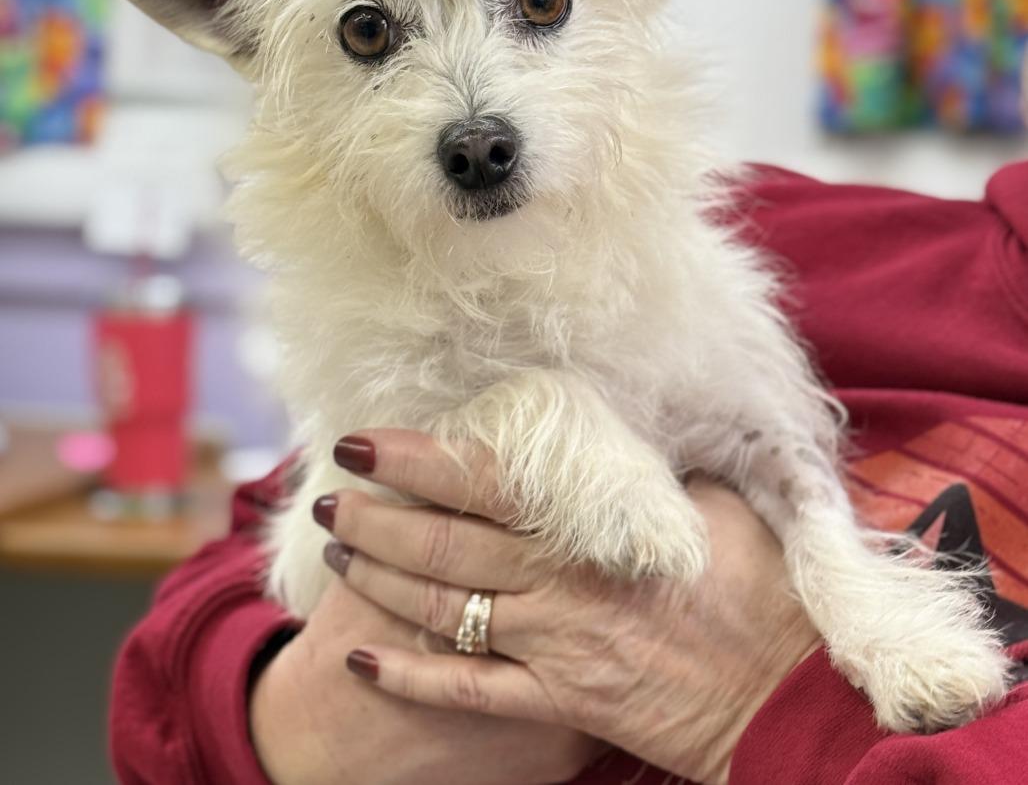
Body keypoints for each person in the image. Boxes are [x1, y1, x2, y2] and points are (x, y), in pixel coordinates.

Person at [110, 163, 1028, 784]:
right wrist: (297, 724)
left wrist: (754, 704)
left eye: (539, 5)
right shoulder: (667, 206)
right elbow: (170, 681)